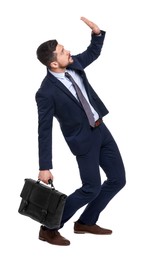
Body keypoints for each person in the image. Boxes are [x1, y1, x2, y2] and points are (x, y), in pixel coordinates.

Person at [35, 17, 126, 246]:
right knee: (91, 188)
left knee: (117, 179)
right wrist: (44, 166)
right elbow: (44, 130)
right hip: (83, 141)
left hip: (101, 131)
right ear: (53, 64)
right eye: (63, 51)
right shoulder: (46, 93)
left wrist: (97, 35)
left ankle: (86, 221)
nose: (69, 52)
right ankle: (49, 227)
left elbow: (92, 54)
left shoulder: (73, 64)